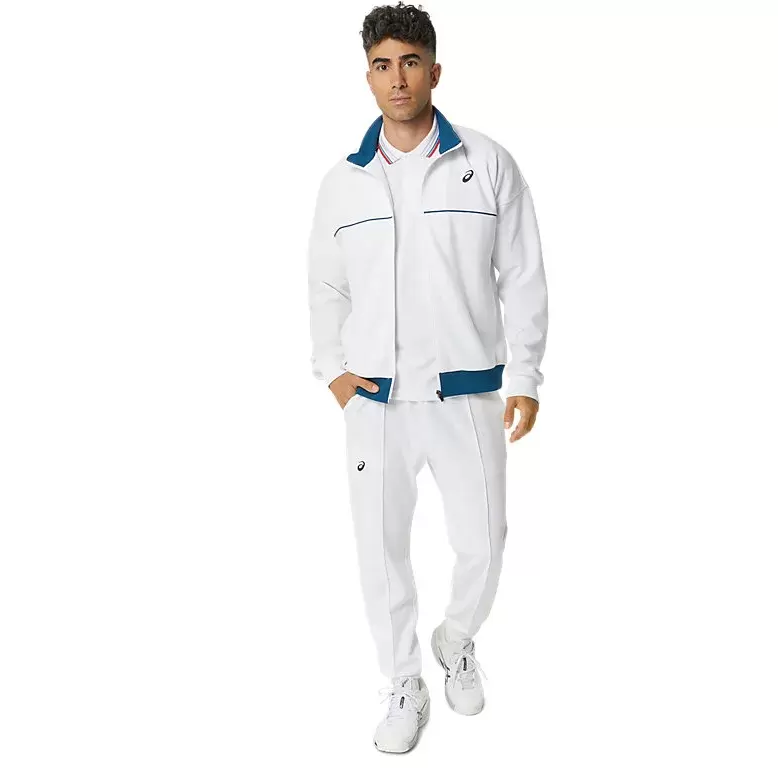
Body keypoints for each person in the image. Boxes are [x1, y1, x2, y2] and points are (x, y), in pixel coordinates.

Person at [306, 1, 548, 754]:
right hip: (375, 399)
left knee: (485, 540)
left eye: (410, 62)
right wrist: (334, 372)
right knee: (380, 551)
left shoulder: (488, 163)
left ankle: (457, 637)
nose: (397, 78)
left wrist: (526, 375)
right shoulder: (343, 182)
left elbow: (523, 275)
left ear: (435, 71)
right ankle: (404, 680)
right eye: (382, 65)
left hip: (466, 393)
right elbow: (326, 287)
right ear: (368, 77)